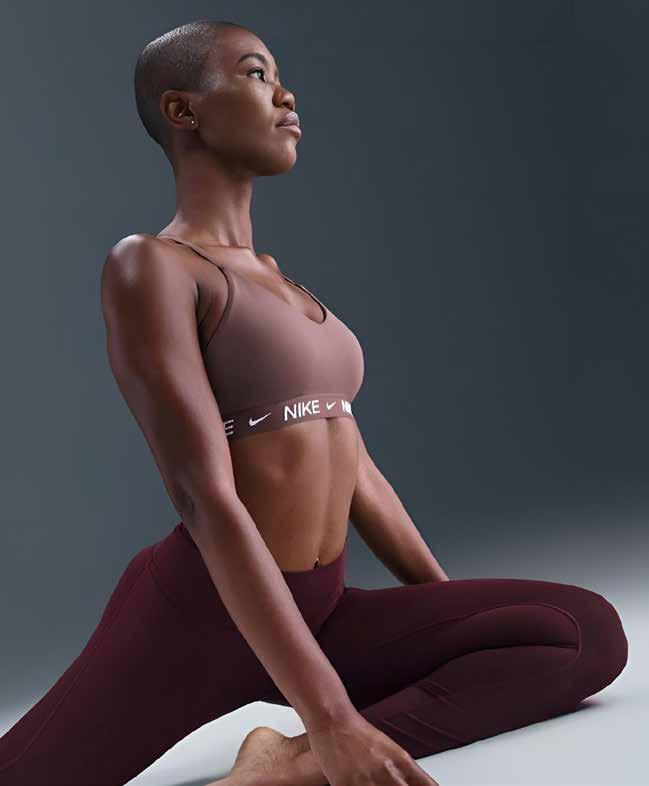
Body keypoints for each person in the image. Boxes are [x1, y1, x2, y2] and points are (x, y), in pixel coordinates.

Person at [0, 18, 628, 786]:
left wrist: (453, 620)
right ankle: (323, 738)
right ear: (182, 110)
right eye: (256, 74)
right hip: (199, 620)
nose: (287, 95)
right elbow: (205, 499)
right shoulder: (152, 266)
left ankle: (283, 766)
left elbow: (355, 469)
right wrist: (330, 715)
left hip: (318, 611)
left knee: (583, 635)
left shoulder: (279, 278)